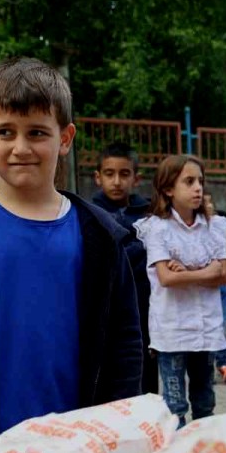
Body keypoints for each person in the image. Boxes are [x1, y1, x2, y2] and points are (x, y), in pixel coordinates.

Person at [0, 57, 142, 453]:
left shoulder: (101, 237)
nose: (21, 147)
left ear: (65, 137)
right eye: (6, 132)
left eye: (37, 132)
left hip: (83, 448)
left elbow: (125, 343)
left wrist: (115, 433)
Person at [135, 155, 226, 427]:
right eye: (189, 182)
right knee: (175, 405)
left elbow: (222, 275)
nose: (198, 188)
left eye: (200, 181)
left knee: (205, 401)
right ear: (168, 189)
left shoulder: (214, 227)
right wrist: (204, 272)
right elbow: (165, 278)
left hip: (205, 330)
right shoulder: (158, 228)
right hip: (172, 331)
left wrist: (185, 272)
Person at [90, 142, 157, 395]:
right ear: (98, 177)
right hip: (108, 312)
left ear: (136, 178)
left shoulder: (151, 214)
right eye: (109, 174)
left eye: (124, 174)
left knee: (148, 379)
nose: (116, 181)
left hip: (146, 311)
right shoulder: (90, 214)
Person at [203, 192, 226, 385]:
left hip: (222, 285)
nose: (206, 205)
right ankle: (210, 366)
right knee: (206, 326)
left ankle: (223, 363)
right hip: (201, 285)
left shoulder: (219, 225)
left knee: (222, 324)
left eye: (209, 202)